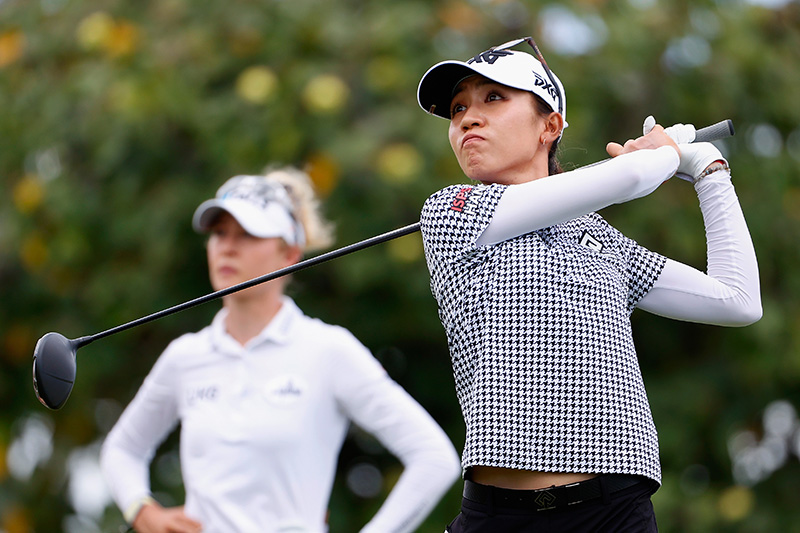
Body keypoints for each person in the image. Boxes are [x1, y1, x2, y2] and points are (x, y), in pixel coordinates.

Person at [415, 37, 761, 532]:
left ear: (550, 126)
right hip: (499, 517)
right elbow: (634, 176)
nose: (468, 118)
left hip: (616, 512)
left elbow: (739, 300)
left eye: (493, 98)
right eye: (457, 108)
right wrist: (661, 154)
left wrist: (706, 169)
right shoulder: (454, 211)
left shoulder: (597, 237)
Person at [100, 167, 461, 533]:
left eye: (247, 234)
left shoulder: (328, 350)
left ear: (289, 253)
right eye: (219, 233)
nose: (227, 246)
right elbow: (122, 449)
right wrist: (143, 511)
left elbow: (434, 458)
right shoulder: (185, 357)